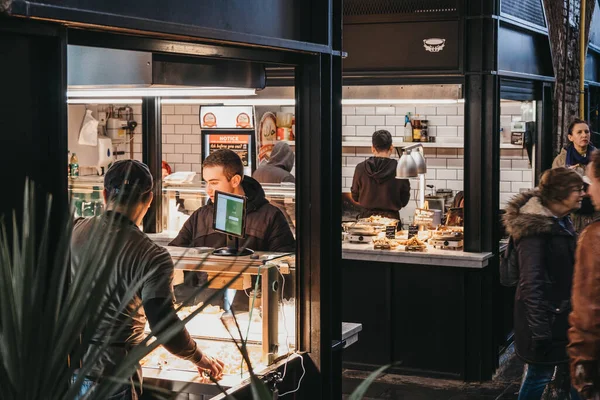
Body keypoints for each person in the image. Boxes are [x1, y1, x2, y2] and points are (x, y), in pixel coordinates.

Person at [71, 160, 224, 400]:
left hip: (72, 367)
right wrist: (198, 356)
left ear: (104, 194)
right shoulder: (152, 255)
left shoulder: (76, 229)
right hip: (114, 375)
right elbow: (163, 325)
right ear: (150, 199)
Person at [169, 149, 295, 312]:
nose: (208, 189)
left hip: (252, 312)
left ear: (235, 180)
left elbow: (286, 268)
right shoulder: (200, 216)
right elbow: (174, 255)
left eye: (214, 182)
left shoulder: (270, 216)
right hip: (206, 310)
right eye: (206, 182)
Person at [503, 167, 584, 400]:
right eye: (577, 190)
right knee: (540, 374)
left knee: (573, 373)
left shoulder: (561, 220)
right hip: (546, 319)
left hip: (559, 315)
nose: (582, 194)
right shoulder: (534, 232)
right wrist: (540, 331)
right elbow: (531, 284)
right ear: (560, 194)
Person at [568, 150, 600, 400]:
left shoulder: (594, 238)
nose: (588, 192)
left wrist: (582, 370)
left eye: (592, 183)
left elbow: (587, 315)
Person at [351, 130, 410, 220]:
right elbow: (404, 199)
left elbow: (355, 196)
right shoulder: (400, 168)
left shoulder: (360, 168)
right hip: (391, 221)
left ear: (373, 148)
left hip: (366, 220)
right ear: (391, 148)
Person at [552, 118, 599, 232]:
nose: (584, 135)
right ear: (570, 137)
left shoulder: (597, 159)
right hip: (572, 217)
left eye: (587, 132)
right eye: (579, 132)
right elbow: (554, 189)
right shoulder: (561, 160)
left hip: (596, 214)